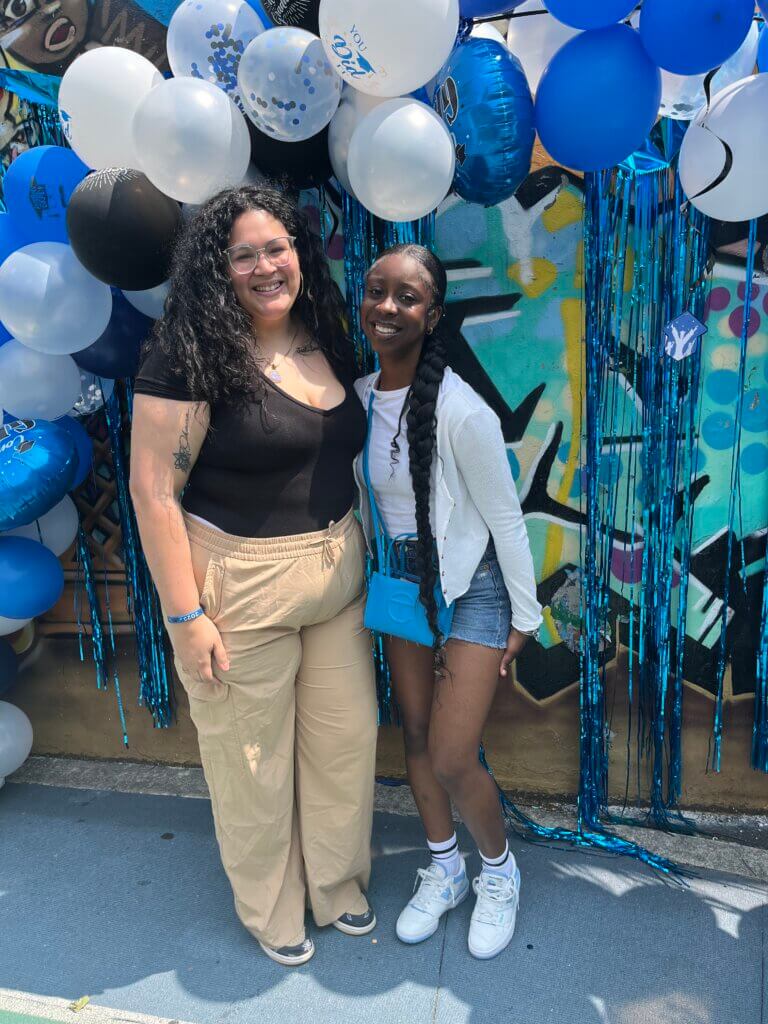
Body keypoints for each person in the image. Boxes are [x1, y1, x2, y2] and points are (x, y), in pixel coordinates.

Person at [130, 186, 378, 968]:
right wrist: (183, 616)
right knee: (251, 764)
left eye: (278, 248)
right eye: (245, 254)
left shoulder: (324, 332)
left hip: (337, 578)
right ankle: (273, 909)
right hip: (238, 589)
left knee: (346, 743)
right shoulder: (188, 350)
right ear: (218, 268)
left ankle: (336, 884)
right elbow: (152, 488)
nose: (267, 266)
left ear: (299, 252)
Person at [353, 244, 542, 961]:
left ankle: (500, 872)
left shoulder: (464, 412)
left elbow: (506, 520)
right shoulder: (363, 396)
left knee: (454, 754)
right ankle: (445, 868)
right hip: (403, 586)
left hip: (472, 590)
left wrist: (524, 620)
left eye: (407, 298)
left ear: (431, 315)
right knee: (415, 740)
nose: (388, 308)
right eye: (378, 293)